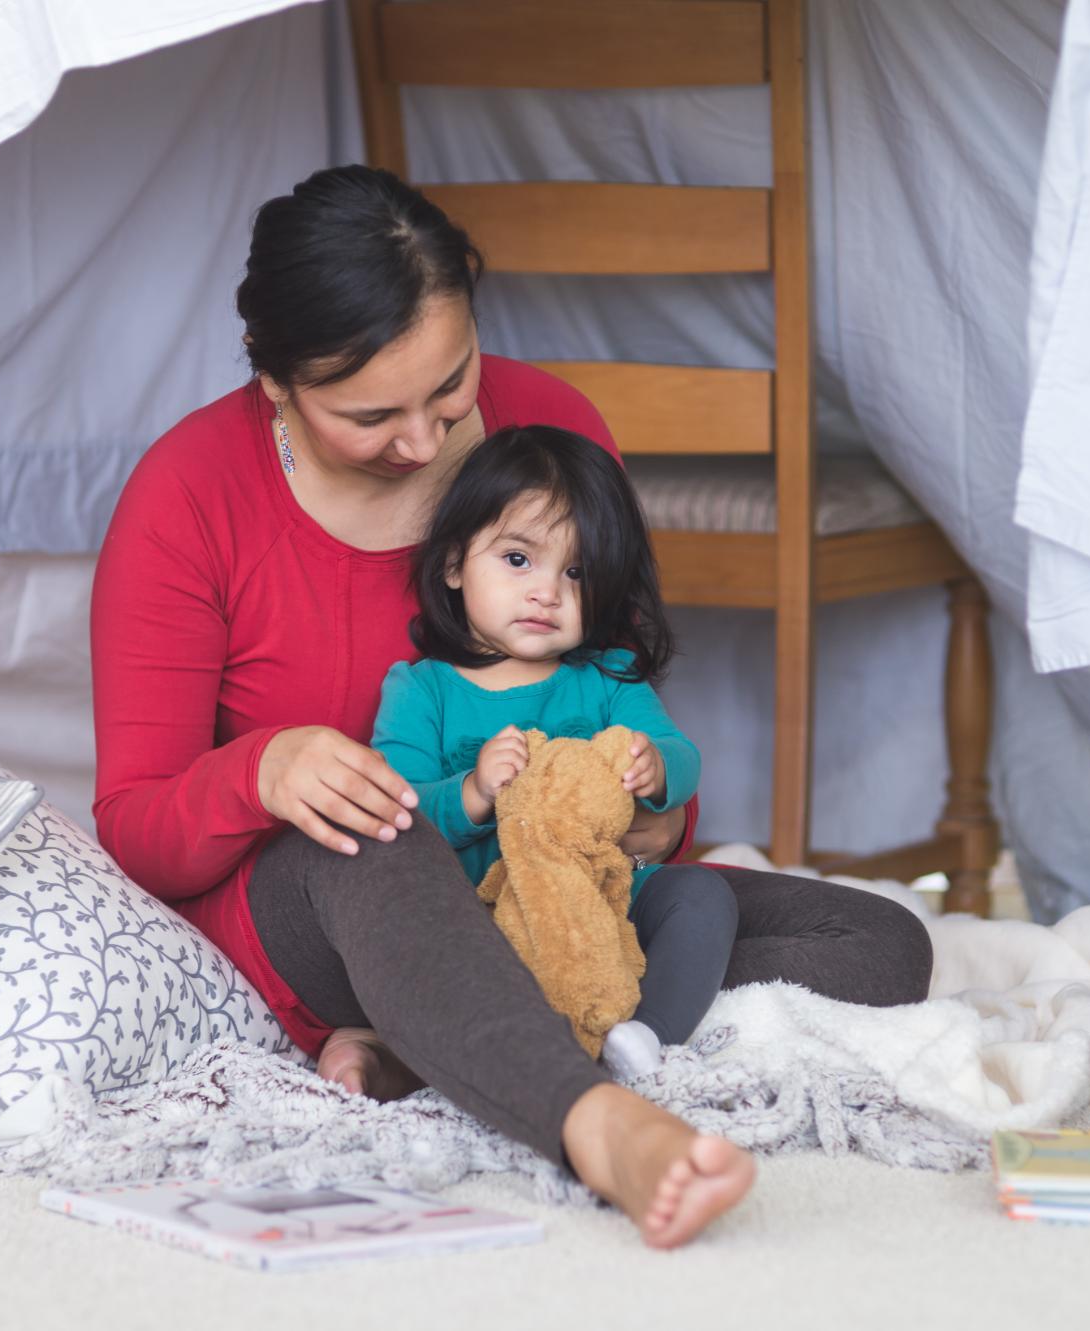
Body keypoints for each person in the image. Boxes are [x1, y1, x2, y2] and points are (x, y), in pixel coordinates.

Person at [91, 164, 933, 1248]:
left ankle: (432, 1043)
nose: (423, 442)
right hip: (333, 895)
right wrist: (262, 768)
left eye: (448, 387)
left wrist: (649, 810)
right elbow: (139, 829)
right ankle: (591, 1118)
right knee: (377, 822)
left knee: (870, 942)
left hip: (542, 887)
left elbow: (614, 690)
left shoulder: (549, 431)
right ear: (272, 379)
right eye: (367, 414)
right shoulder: (186, 496)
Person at [370, 423, 734, 1080]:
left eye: (577, 571)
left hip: (607, 900)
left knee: (703, 897)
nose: (548, 591)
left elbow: (684, 759)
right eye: (518, 559)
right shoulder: (423, 688)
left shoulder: (606, 675)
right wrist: (474, 793)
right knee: (424, 943)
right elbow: (399, 807)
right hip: (488, 917)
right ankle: (525, 1051)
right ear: (454, 563)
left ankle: (643, 1038)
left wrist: (656, 768)